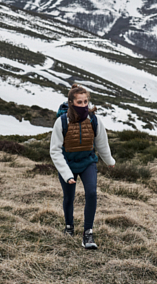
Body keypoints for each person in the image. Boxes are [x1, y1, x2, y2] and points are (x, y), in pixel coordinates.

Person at [50, 83, 115, 250]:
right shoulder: (61, 121)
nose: (84, 105)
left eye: (86, 102)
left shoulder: (94, 120)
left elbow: (101, 143)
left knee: (92, 193)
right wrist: (66, 174)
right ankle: (69, 227)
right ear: (71, 103)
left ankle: (88, 233)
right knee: (69, 198)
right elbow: (55, 151)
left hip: (88, 162)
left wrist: (109, 161)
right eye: (80, 102)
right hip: (68, 164)